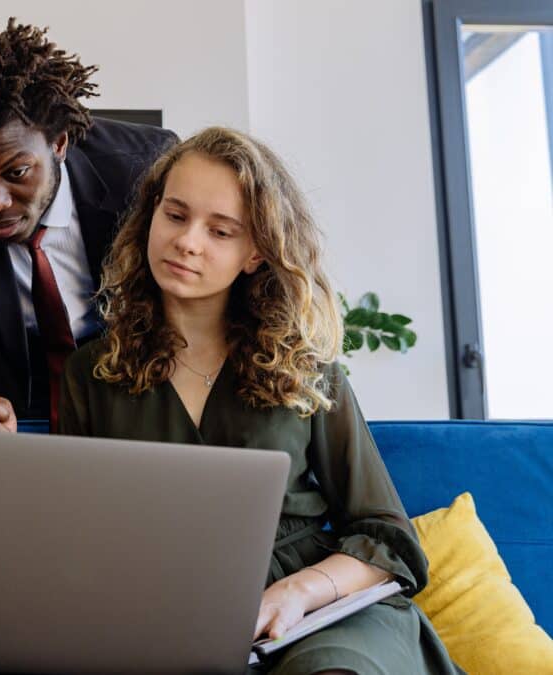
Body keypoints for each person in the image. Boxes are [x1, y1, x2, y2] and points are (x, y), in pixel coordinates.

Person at [58, 127, 461, 674]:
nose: (188, 241)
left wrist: (297, 593)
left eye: (220, 230)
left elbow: (386, 537)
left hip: (321, 611)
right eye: (175, 216)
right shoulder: (93, 372)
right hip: (170, 612)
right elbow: (80, 539)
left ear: (254, 253)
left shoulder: (306, 368)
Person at [0, 19, 177, 432]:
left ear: (59, 143)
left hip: (139, 396)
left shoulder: (144, 168)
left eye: (16, 172)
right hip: (15, 407)